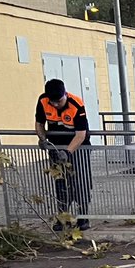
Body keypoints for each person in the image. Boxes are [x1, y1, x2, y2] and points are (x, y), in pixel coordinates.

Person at [34, 79, 92, 231]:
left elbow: (81, 134)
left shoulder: (76, 104)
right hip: (55, 147)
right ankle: (62, 217)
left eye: (58, 101)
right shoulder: (43, 101)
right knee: (60, 182)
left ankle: (83, 217)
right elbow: (39, 123)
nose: (55, 105)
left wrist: (67, 152)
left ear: (65, 94)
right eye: (52, 102)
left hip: (78, 149)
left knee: (80, 182)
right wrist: (42, 139)